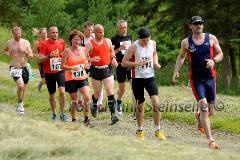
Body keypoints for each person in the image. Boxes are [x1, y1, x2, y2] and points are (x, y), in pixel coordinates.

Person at [172, 16, 223, 149]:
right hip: (196, 79)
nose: (198, 25)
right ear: (191, 26)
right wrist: (176, 71)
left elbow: (220, 54)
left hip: (210, 78)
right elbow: (181, 57)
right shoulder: (186, 42)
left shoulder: (211, 38)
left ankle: (199, 117)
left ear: (203, 25)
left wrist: (214, 61)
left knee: (211, 111)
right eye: (196, 24)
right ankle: (211, 140)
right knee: (204, 104)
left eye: (200, 23)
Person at [122, 27, 166, 140]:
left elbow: (155, 54)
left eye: (147, 40)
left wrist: (156, 62)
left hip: (150, 77)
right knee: (140, 105)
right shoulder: (133, 46)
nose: (146, 42)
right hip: (137, 78)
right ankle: (140, 130)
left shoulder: (153, 43)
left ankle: (158, 130)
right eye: (143, 40)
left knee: (156, 103)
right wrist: (137, 63)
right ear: (139, 39)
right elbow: (124, 63)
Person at [85, 24, 119, 125]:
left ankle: (113, 115)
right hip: (95, 70)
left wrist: (113, 59)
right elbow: (84, 57)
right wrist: (90, 59)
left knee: (110, 91)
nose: (102, 33)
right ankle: (94, 104)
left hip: (107, 69)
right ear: (94, 33)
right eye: (99, 32)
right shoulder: (89, 43)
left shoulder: (108, 41)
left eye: (103, 31)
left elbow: (112, 53)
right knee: (97, 93)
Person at [62, 29, 93, 126]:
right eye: (75, 39)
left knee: (87, 97)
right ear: (71, 40)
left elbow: (87, 61)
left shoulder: (84, 49)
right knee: (74, 101)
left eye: (79, 39)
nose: (77, 41)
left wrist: (87, 65)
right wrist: (72, 68)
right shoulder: (67, 51)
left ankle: (86, 119)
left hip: (82, 77)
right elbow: (62, 65)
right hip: (71, 79)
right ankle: (74, 119)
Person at [39, 26, 69, 122]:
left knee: (62, 92)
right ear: (49, 33)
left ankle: (62, 113)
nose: (55, 34)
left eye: (56, 32)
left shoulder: (61, 42)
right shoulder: (44, 44)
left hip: (60, 71)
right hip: (49, 72)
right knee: (52, 94)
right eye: (53, 32)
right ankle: (54, 113)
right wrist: (49, 56)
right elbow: (40, 59)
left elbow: (65, 53)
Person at [3, 26, 33, 114]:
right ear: (13, 34)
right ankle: (20, 104)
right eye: (16, 34)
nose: (17, 36)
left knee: (23, 88)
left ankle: (20, 103)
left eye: (19, 34)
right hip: (14, 67)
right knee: (20, 86)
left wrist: (27, 54)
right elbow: (4, 50)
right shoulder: (9, 43)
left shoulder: (26, 42)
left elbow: (31, 55)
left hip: (24, 67)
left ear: (21, 33)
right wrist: (8, 53)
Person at [111, 19, 136, 116]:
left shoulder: (130, 37)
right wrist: (119, 49)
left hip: (130, 65)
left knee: (134, 86)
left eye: (125, 27)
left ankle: (135, 111)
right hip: (120, 65)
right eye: (122, 28)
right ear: (118, 28)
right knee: (122, 89)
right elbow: (111, 53)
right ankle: (119, 101)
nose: (124, 29)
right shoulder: (114, 39)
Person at [82, 21, 105, 112]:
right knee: (82, 83)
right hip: (84, 64)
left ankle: (99, 103)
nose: (90, 32)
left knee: (99, 84)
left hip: (94, 65)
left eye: (92, 30)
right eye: (88, 30)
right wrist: (86, 61)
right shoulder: (81, 39)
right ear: (84, 30)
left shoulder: (95, 38)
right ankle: (80, 101)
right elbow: (80, 53)